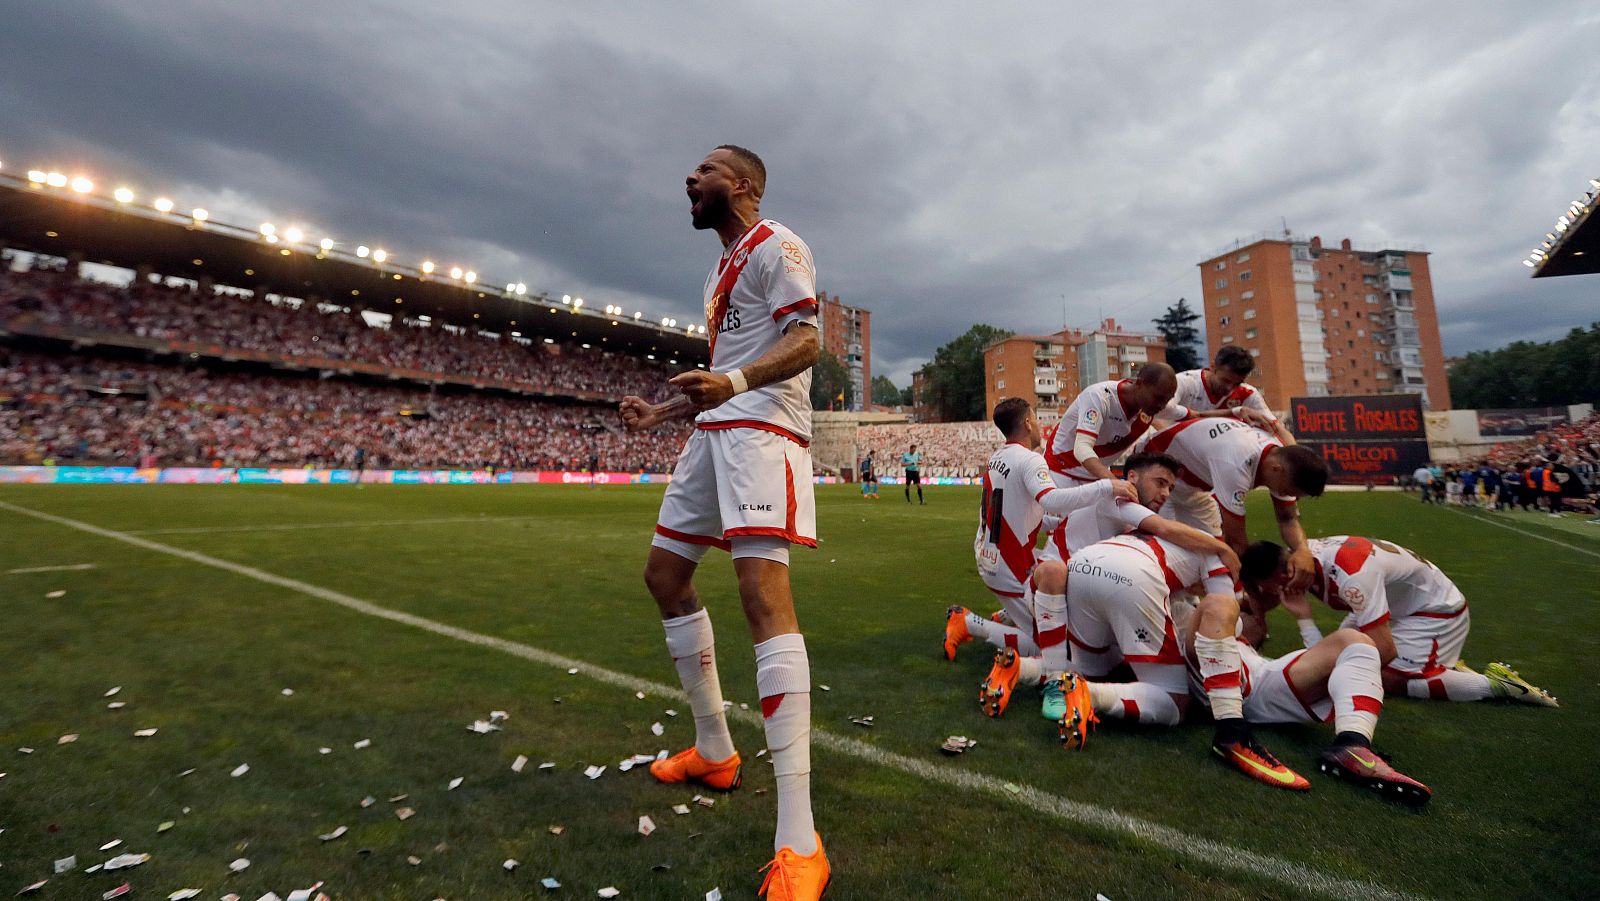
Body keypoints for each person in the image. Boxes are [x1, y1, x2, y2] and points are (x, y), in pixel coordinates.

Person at [618, 145, 828, 898]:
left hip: (763, 431)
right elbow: (717, 382)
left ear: (741, 186)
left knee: (762, 596)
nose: (688, 178)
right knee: (665, 576)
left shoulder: (781, 246)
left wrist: (733, 380)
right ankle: (716, 749)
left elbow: (809, 342)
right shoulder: (714, 273)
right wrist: (664, 411)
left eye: (703, 170)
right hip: (714, 431)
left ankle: (800, 839)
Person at [948, 450, 1240, 721]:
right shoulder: (1120, 500)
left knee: (1088, 661)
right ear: (1133, 478)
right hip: (1054, 588)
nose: (1165, 494)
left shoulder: (1112, 502)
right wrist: (1222, 549)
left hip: (1064, 589)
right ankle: (1050, 682)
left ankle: (983, 634)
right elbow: (1165, 529)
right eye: (1160, 483)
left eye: (1170, 489)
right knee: (1097, 663)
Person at [1045, 528, 1309, 789]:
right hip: (1135, 575)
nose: (1165, 493)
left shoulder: (1150, 528)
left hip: (1082, 566)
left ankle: (1033, 673)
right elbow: (1225, 619)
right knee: (1175, 701)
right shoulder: (1215, 554)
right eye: (1163, 483)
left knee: (1105, 670)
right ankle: (1087, 694)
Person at [954, 397, 1137, 717]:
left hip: (993, 556)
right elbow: (1051, 500)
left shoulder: (998, 457)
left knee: (1051, 624)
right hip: (1009, 567)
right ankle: (974, 626)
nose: (1039, 425)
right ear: (1027, 423)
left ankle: (975, 623)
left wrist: (1070, 513)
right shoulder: (1030, 460)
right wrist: (1106, 486)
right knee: (1053, 649)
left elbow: (1030, 511)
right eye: (1036, 418)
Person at [1240, 537, 1558, 707]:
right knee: (1338, 652)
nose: (1266, 595)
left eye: (1265, 587)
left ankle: (1498, 687)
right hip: (1397, 605)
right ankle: (1439, 664)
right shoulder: (1302, 559)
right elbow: (1262, 596)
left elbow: (1385, 650)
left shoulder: (1351, 577)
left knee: (1386, 678)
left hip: (1438, 613)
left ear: (1282, 575)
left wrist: (1306, 621)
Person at [1182, 627, 1431, 804]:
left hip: (1262, 673)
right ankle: (1233, 735)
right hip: (1236, 689)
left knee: (1356, 642)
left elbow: (1253, 629)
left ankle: (1353, 744)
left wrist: (1291, 613)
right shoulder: (1175, 600)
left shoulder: (1210, 588)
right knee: (1216, 606)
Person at [1141, 416, 1329, 645]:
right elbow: (1237, 544)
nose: (1294, 496)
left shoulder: (1283, 462)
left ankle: (1201, 617)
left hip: (1196, 485)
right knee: (1168, 557)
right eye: (1292, 490)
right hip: (1161, 473)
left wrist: (1302, 550)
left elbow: (1287, 518)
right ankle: (1159, 634)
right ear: (1276, 469)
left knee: (1215, 561)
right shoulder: (1237, 463)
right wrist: (1254, 593)